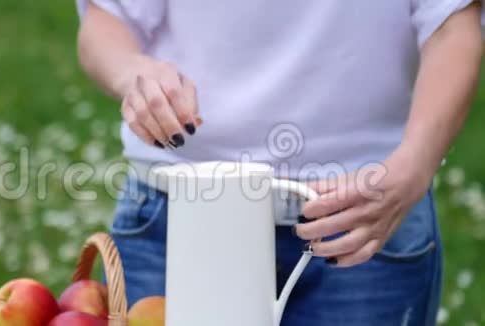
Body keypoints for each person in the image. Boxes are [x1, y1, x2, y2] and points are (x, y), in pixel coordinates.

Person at [75, 0, 483, 324]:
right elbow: (107, 18)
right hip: (175, 220)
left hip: (364, 221)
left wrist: (414, 166)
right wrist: (134, 74)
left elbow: (453, 23)